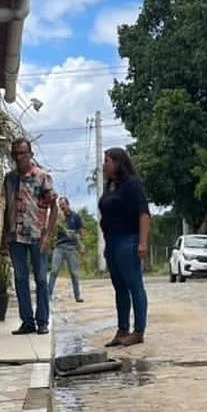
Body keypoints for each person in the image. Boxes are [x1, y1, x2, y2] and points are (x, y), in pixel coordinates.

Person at [1, 137, 57, 335]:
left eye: (23, 153)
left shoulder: (42, 177)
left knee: (41, 279)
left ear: (30, 154)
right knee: (20, 279)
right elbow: (7, 208)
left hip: (37, 235)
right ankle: (27, 321)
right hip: (15, 236)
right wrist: (4, 239)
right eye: (15, 154)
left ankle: (42, 321)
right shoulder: (10, 179)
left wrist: (48, 234)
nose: (19, 157)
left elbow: (53, 206)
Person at [97, 147, 151, 347]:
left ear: (118, 163)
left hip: (128, 240)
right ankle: (122, 329)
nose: (105, 165)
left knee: (134, 284)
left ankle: (139, 330)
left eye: (108, 161)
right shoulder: (110, 186)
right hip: (111, 241)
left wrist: (143, 242)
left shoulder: (132, 185)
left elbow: (144, 213)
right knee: (119, 287)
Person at [47, 196, 85, 304]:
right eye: (60, 206)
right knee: (54, 271)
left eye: (63, 205)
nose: (62, 207)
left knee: (74, 273)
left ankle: (77, 296)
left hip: (71, 248)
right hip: (59, 247)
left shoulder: (76, 217)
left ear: (68, 204)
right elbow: (53, 233)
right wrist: (56, 223)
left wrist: (77, 239)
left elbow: (82, 233)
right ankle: (48, 295)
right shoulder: (58, 217)